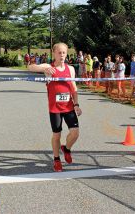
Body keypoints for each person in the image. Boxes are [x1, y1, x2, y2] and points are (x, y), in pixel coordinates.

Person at [27, 43, 82, 172]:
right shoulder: (49, 67)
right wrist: (43, 70)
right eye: (59, 53)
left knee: (75, 133)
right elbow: (30, 67)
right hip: (55, 109)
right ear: (54, 54)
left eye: (64, 53)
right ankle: (56, 159)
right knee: (56, 135)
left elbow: (73, 88)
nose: (62, 55)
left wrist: (77, 104)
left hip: (69, 107)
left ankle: (66, 149)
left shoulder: (71, 69)